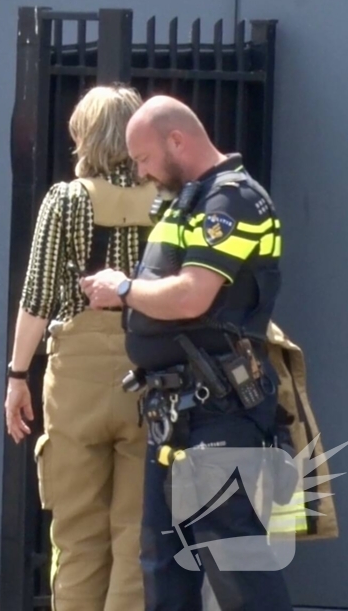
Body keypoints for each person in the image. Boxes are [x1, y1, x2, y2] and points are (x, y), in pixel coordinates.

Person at [79, 95, 293, 610]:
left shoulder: (233, 200)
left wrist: (125, 290)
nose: (140, 171)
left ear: (177, 140)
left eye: (144, 157)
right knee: (162, 566)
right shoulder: (189, 199)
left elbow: (193, 294)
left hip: (219, 410)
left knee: (236, 567)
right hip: (174, 415)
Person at [5, 85, 157, 611]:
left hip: (77, 377)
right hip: (152, 368)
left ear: (84, 136)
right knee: (137, 535)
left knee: (76, 536)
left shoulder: (66, 200)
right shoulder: (168, 200)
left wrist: (16, 375)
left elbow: (38, 298)